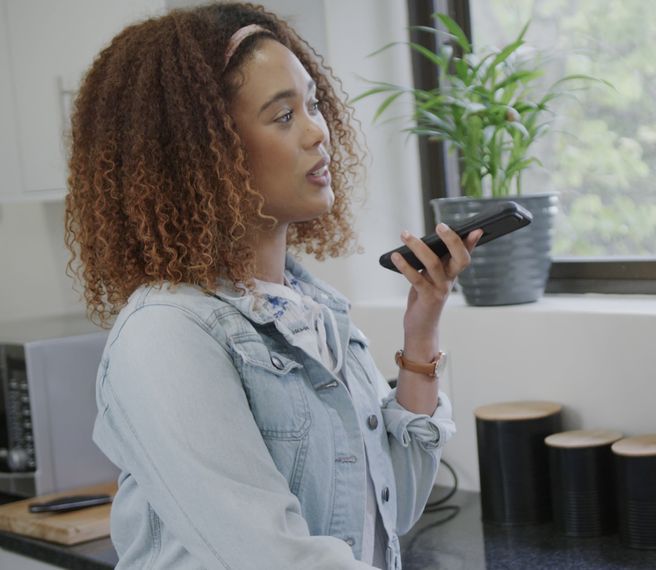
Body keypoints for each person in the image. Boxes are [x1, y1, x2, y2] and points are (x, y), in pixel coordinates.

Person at [63, 3, 480, 569]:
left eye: (312, 103)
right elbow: (272, 557)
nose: (317, 130)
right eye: (283, 116)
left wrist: (422, 329)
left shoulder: (317, 313)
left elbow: (394, 511)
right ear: (204, 155)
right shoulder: (165, 335)